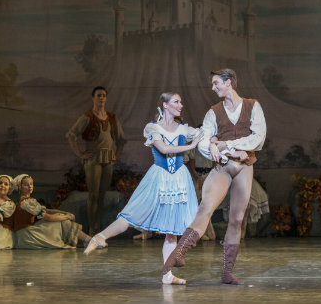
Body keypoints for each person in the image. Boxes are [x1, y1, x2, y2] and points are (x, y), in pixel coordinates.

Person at [83, 92, 203, 285]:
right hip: (159, 178)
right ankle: (99, 237)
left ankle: (167, 275)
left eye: (181, 101)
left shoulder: (183, 129)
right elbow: (163, 149)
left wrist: (213, 142)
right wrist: (191, 145)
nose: (181, 104)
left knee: (172, 232)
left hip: (179, 180)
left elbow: (204, 136)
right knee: (132, 215)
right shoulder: (152, 127)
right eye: (176, 101)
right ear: (164, 105)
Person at [162, 68, 267, 285]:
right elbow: (203, 141)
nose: (213, 87)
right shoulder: (213, 112)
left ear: (229, 82)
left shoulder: (253, 106)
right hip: (223, 167)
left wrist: (226, 144)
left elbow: (258, 138)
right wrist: (217, 148)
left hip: (244, 168)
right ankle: (179, 253)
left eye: (216, 83)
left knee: (237, 219)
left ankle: (227, 272)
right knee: (205, 208)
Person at [66, 86, 127, 234]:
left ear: (106, 99)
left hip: (107, 159)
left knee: (102, 195)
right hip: (93, 159)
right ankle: (93, 228)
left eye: (104, 95)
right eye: (99, 95)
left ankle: (98, 227)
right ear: (93, 98)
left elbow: (121, 140)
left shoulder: (112, 118)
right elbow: (71, 134)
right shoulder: (87, 116)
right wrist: (80, 154)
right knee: (93, 194)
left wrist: (116, 155)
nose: (101, 98)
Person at [11, 174, 94, 249]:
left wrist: (65, 213)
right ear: (20, 187)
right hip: (28, 234)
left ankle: (87, 240)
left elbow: (46, 210)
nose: (30, 187)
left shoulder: (30, 200)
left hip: (30, 230)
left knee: (60, 217)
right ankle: (88, 240)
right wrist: (66, 217)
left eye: (31, 184)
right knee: (63, 221)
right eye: (26, 185)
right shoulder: (25, 203)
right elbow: (47, 217)